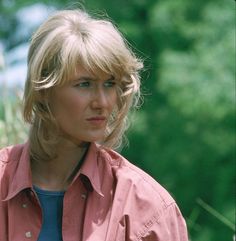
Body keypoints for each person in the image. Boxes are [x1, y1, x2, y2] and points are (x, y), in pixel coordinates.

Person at [0, 8, 188, 241]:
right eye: (84, 84)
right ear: (43, 90)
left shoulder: (146, 209)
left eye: (109, 84)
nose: (102, 102)